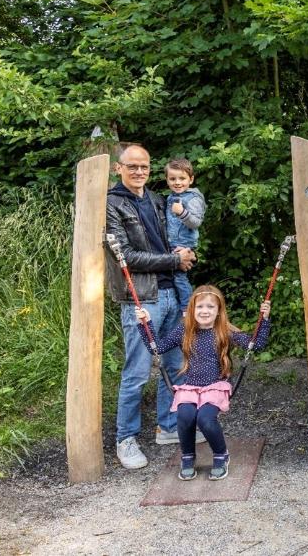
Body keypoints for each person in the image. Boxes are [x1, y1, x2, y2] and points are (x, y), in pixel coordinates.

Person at [105, 143, 201, 470]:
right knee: (137, 371)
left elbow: (178, 237)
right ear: (118, 168)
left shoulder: (159, 199)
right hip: (142, 298)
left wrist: (186, 254)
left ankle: (168, 426)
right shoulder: (112, 204)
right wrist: (173, 260)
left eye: (144, 166)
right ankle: (126, 438)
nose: (139, 171)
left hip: (172, 292)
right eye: (132, 166)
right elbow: (126, 257)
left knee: (174, 364)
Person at [135, 285, 270, 481]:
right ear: (192, 309)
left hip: (215, 387)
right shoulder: (185, 330)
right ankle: (188, 456)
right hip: (191, 387)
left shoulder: (224, 331)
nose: (204, 311)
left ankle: (221, 454)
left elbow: (255, 345)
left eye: (210, 307)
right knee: (185, 416)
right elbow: (157, 348)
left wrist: (264, 319)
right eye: (200, 306)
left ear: (219, 311)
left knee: (205, 419)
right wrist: (145, 323)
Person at [164, 158, 207, 313]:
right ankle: (179, 307)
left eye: (182, 178)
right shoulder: (170, 197)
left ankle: (187, 309)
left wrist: (182, 212)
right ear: (167, 180)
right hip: (171, 243)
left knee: (179, 277)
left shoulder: (193, 198)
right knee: (172, 277)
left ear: (191, 179)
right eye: (172, 179)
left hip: (183, 245)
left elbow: (196, 222)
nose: (177, 182)